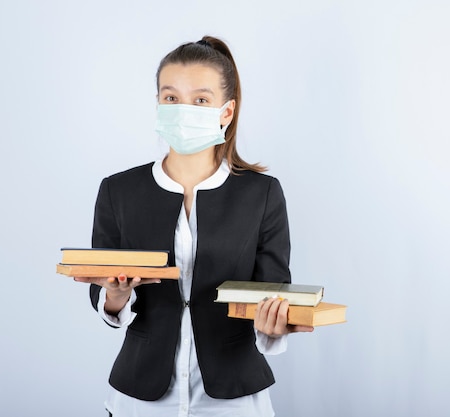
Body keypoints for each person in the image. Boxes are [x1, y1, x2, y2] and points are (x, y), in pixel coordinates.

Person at [73, 35, 313, 417]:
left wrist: (274, 325)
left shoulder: (261, 194)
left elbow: (273, 290)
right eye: (171, 98)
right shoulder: (118, 190)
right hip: (140, 396)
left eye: (200, 99)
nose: (183, 109)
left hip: (233, 397)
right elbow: (103, 288)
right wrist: (115, 298)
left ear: (226, 112)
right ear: (157, 103)